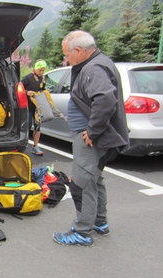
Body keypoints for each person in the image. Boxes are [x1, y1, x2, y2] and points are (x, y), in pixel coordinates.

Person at [53, 30, 129, 247]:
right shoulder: (99, 63)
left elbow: (105, 99)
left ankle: (82, 232)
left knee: (81, 183)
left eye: (67, 54)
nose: (66, 59)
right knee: (94, 179)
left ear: (78, 50)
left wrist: (93, 131)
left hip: (90, 138)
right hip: (93, 136)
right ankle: (100, 222)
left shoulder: (93, 68)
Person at [20, 60, 47, 156]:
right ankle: (22, 144)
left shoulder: (43, 78)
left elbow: (43, 90)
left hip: (38, 107)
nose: (41, 72)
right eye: (40, 70)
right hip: (28, 106)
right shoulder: (28, 78)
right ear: (35, 69)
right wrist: (27, 92)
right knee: (28, 125)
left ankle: (35, 146)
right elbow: (19, 88)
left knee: (37, 126)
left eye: (43, 70)